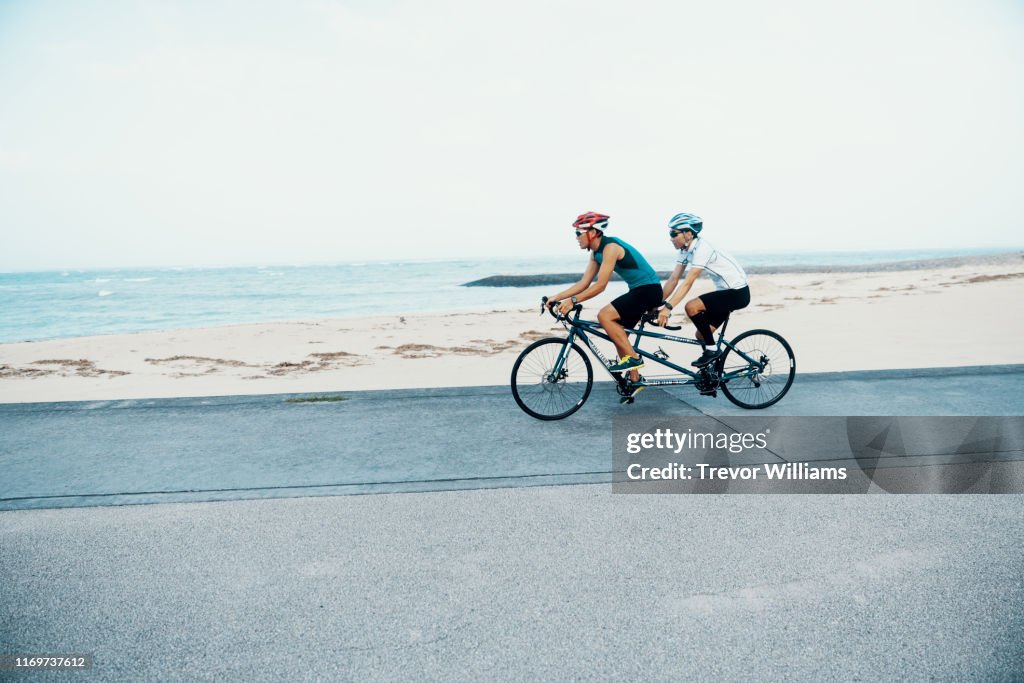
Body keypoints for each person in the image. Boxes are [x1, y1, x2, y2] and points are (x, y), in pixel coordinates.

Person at [547, 211, 663, 379]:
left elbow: (600, 285)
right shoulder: (596, 254)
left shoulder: (610, 248)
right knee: (619, 335)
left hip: (649, 290)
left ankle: (635, 360)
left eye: (578, 233)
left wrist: (572, 301)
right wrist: (557, 297)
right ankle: (634, 380)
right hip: (638, 291)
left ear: (592, 232)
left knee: (605, 316)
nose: (576, 237)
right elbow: (584, 283)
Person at [657, 212, 750, 367]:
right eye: (670, 234)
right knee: (701, 335)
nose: (671, 238)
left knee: (692, 306)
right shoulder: (685, 251)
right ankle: (714, 373)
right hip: (725, 293)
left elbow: (688, 283)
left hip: (737, 293)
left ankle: (712, 350)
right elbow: (673, 280)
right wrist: (657, 304)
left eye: (674, 234)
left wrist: (668, 307)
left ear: (688, 234)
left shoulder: (702, 249)